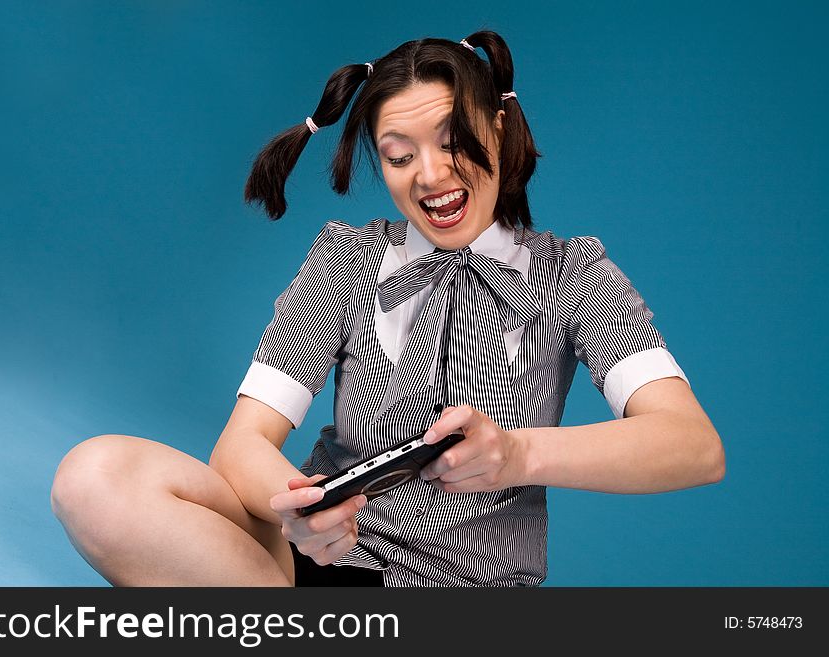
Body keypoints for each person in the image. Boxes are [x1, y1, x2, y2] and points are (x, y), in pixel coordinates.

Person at [50, 31, 725, 587]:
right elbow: (242, 445)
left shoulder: (574, 274)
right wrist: (308, 508)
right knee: (95, 477)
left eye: (452, 140)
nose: (430, 176)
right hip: (306, 561)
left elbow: (691, 444)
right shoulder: (345, 260)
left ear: (499, 127)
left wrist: (518, 454)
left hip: (464, 585)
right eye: (401, 156)